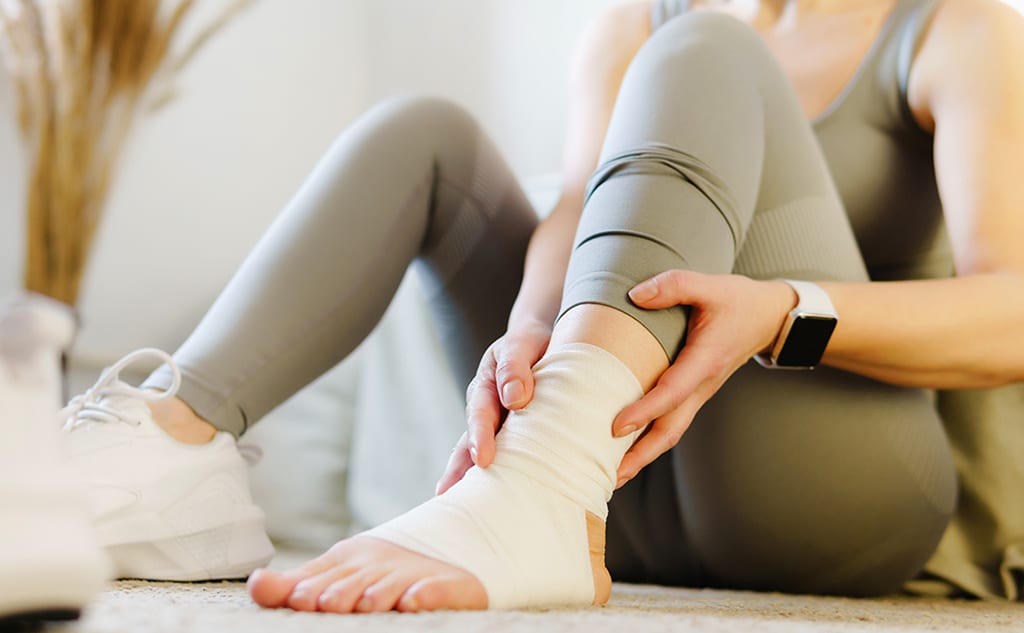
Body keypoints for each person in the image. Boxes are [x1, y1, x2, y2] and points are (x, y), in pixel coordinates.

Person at [62, 0, 1024, 613]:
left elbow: (1013, 313)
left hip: (822, 495)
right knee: (426, 134)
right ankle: (174, 446)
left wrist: (781, 310)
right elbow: (576, 211)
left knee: (709, 47)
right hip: (627, 493)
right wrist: (532, 330)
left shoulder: (952, 27)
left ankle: (543, 483)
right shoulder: (637, 19)